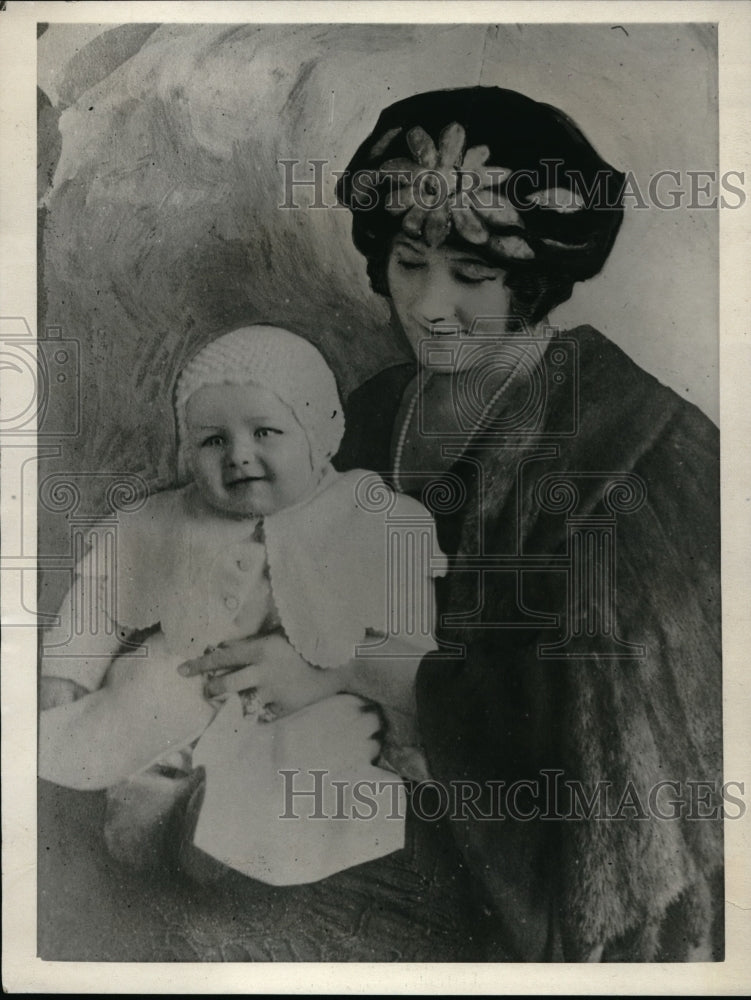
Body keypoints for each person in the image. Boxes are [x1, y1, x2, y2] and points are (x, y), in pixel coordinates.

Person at [186, 88, 723, 961]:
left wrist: (356, 667)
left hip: (530, 862)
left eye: (472, 278)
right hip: (350, 791)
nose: (430, 306)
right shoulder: (361, 413)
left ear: (532, 281)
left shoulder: (641, 449)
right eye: (408, 264)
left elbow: (611, 733)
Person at [39, 324, 445, 886]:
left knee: (319, 749)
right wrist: (67, 673)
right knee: (147, 694)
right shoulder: (170, 516)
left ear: (317, 435)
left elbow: (409, 628)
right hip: (191, 675)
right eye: (213, 441)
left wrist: (408, 732)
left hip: (314, 689)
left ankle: (225, 847)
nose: (239, 457)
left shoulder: (369, 513)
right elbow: (103, 592)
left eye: (265, 432)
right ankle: (148, 801)